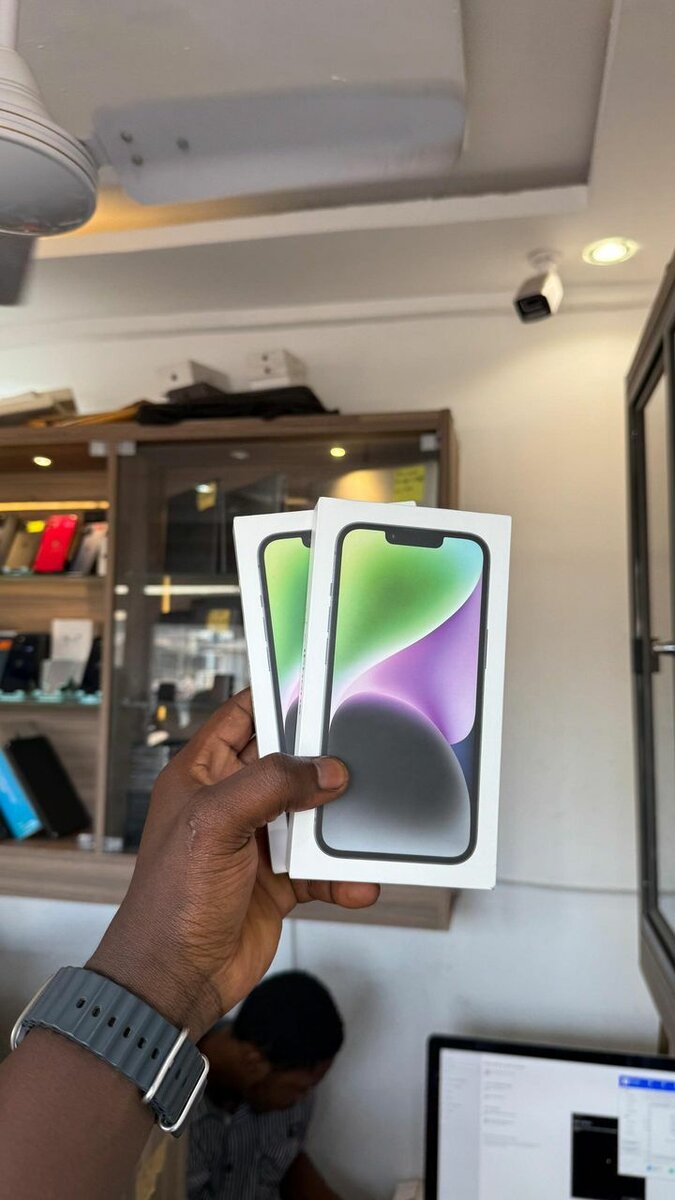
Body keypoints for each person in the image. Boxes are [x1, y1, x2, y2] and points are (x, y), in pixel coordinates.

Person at [0, 690, 379, 1200]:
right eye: (297, 1089)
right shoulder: (155, 1136)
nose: (299, 1100)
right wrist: (165, 976)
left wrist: (172, 981)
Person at [188, 971, 344, 1199]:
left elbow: (287, 1162)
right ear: (254, 1062)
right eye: (300, 1089)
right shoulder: (166, 1109)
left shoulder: (284, 1090)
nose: (303, 1099)